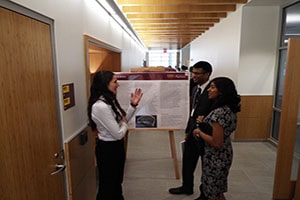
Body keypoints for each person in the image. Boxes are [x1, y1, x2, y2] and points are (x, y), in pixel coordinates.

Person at [87, 71, 143, 200]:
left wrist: (133, 105)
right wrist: (123, 124)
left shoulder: (109, 101)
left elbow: (123, 120)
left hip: (116, 147)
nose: (118, 84)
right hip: (107, 149)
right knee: (108, 186)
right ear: (104, 84)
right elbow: (118, 134)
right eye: (114, 81)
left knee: (116, 183)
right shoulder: (100, 106)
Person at [169, 61, 213, 196]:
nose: (194, 76)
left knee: (207, 166)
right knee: (187, 162)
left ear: (207, 74)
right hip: (192, 132)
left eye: (197, 73)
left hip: (206, 135)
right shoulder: (195, 88)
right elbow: (192, 113)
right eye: (193, 72)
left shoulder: (213, 91)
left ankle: (205, 193)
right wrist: (188, 131)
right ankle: (186, 187)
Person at [192, 77, 241, 200]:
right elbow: (220, 130)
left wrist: (198, 132)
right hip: (224, 153)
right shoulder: (228, 109)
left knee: (213, 192)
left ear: (222, 91)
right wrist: (205, 123)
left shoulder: (219, 113)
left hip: (216, 157)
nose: (209, 90)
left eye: (212, 87)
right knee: (217, 191)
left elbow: (216, 142)